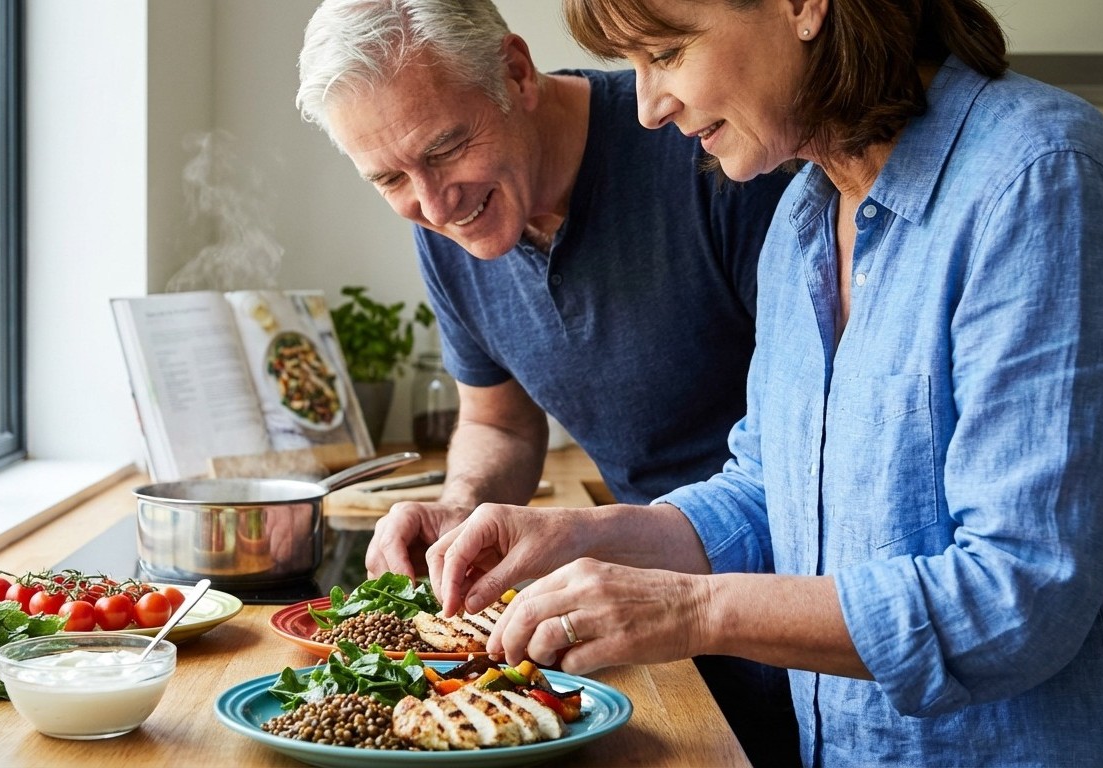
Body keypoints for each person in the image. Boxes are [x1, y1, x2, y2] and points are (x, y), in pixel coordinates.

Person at [426, 0, 1103, 764]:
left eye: (664, 53)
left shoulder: (1040, 178)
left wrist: (693, 609)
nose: (651, 106)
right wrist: (577, 537)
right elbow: (769, 494)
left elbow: (1017, 597)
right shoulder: (805, 209)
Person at [296, 1, 797, 763]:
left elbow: (801, 466)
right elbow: (499, 425)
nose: (434, 205)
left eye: (446, 149)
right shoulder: (448, 229)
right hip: (638, 618)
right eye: (390, 178)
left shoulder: (713, 150)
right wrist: (459, 511)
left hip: (785, 616)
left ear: (516, 73)